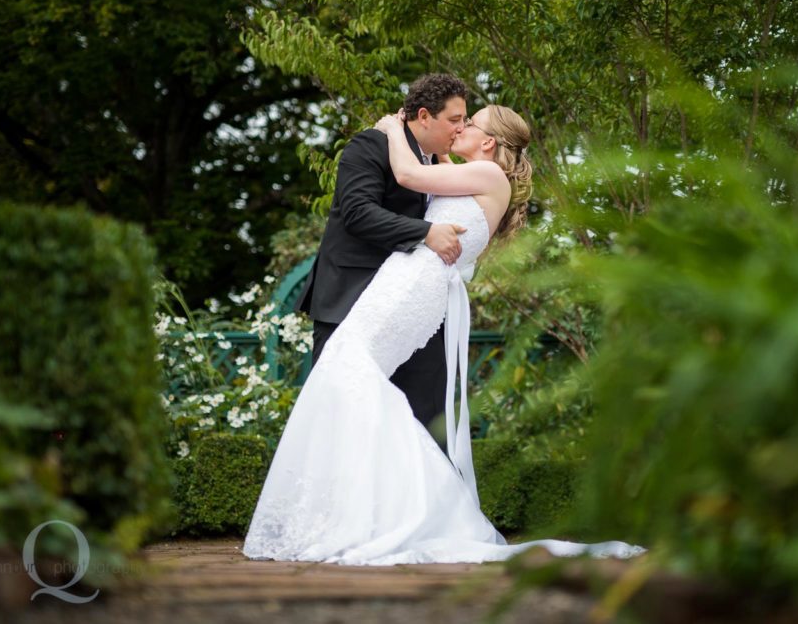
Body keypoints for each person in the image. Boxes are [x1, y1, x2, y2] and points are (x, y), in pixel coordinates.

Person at [242, 97, 643, 564]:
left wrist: (393, 128)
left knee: (347, 368)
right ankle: (378, 512)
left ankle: (389, 513)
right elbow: (426, 170)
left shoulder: (490, 176)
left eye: (468, 123)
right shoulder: (471, 172)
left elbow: (411, 176)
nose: (459, 129)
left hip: (414, 284)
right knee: (352, 376)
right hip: (407, 279)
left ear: (489, 141)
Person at [294, 73, 471, 431]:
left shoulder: (435, 162)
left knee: (417, 422)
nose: (461, 129)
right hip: (350, 300)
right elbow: (358, 213)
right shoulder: (369, 145)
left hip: (408, 308)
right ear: (424, 116)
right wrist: (426, 233)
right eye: (455, 120)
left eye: (465, 121)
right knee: (341, 421)